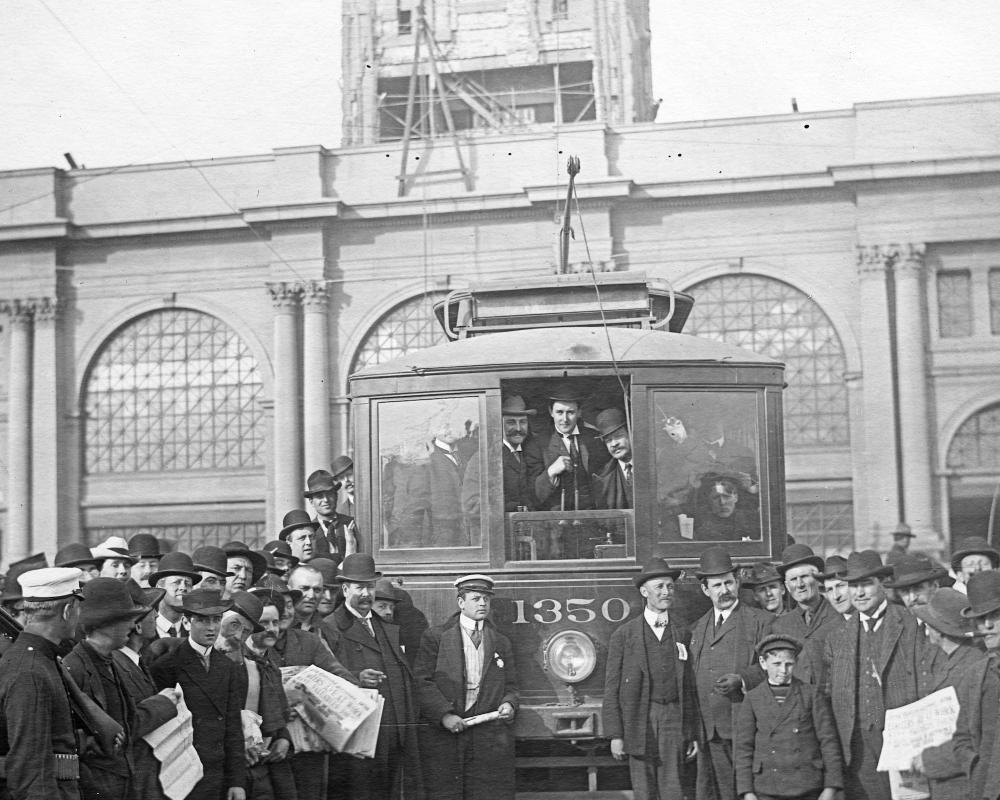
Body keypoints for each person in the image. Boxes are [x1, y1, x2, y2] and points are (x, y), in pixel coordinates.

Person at [63, 578, 178, 800]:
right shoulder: (74, 667)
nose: (132, 625)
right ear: (104, 623)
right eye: (126, 619)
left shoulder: (109, 661)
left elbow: (125, 724)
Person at [823, 550, 923, 800]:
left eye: (866, 584)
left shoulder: (909, 623)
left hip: (901, 739)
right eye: (853, 586)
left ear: (883, 585)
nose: (859, 592)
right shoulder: (837, 637)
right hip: (857, 744)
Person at [324, 554, 421, 800]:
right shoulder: (330, 628)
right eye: (359, 587)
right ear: (345, 589)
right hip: (357, 738)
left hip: (392, 734)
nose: (366, 594)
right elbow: (324, 682)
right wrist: (356, 677)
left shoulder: (385, 627)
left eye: (370, 587)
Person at [414, 574, 517, 800]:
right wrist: (444, 716)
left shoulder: (501, 641)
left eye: (486, 600)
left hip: (488, 737)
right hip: (448, 734)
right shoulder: (436, 637)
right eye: (476, 599)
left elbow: (511, 685)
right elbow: (422, 682)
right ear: (461, 603)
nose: (482, 604)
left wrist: (509, 703)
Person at [603, 558, 698, 800]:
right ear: (644, 591)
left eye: (670, 587)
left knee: (674, 789)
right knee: (644, 791)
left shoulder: (683, 632)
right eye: (660, 587)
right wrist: (616, 735)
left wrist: (692, 732)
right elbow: (612, 688)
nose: (666, 592)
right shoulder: (624, 635)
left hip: (673, 720)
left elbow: (690, 688)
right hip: (639, 720)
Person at [146, 588, 248, 800]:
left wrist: (237, 781)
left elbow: (233, 727)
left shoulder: (228, 667)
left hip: (218, 773)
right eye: (203, 620)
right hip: (182, 774)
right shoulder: (167, 666)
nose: (211, 628)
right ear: (186, 622)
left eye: (216, 620)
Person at [689, 546, 772, 800]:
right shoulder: (697, 628)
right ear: (706, 590)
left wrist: (743, 679)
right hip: (710, 731)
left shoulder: (761, 621)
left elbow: (775, 667)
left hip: (744, 728)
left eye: (728, 583)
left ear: (737, 582)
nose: (724, 590)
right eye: (717, 585)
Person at [0, 567, 88, 800]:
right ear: (68, 610)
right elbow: (31, 774)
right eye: (78, 608)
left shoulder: (37, 660)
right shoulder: (31, 672)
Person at [734, 634, 841, 800]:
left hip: (808, 785)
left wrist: (830, 787)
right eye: (776, 664)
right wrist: (747, 791)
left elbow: (828, 741)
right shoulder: (753, 698)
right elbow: (743, 748)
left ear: (796, 663)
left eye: (789, 664)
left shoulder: (811, 694)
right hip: (767, 787)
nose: (783, 671)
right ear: (763, 663)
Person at [911, 588, 986, 800]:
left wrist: (929, 760)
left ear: (940, 630)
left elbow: (973, 739)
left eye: (928, 623)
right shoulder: (953, 658)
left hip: (963, 785)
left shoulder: (972, 668)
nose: (925, 628)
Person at [223, 591, 298, 800]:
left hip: (268, 770)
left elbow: (279, 717)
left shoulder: (271, 667)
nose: (271, 629)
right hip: (238, 769)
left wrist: (283, 740)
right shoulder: (233, 663)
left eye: (275, 622)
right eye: (264, 623)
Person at [112, 580, 173, 800]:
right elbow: (125, 725)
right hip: (136, 784)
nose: (157, 617)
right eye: (152, 612)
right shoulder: (117, 666)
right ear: (137, 626)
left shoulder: (136, 661)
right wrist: (165, 704)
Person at [948, 571, 1000, 800]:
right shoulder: (975, 675)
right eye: (980, 618)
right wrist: (977, 768)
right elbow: (961, 739)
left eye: (995, 615)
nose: (986, 625)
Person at [770, 544, 844, 687]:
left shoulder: (838, 615)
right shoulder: (780, 625)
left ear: (818, 579)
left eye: (804, 577)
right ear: (786, 585)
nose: (799, 584)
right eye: (793, 579)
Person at [531, 384, 609, 512]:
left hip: (591, 519)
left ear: (579, 412)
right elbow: (533, 495)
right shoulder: (539, 443)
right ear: (551, 412)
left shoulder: (595, 439)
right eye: (559, 412)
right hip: (556, 523)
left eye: (570, 412)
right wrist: (550, 472)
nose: (565, 419)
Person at [462, 395, 543, 516]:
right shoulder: (484, 458)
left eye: (523, 422)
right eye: (511, 422)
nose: (518, 428)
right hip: (498, 530)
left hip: (523, 529)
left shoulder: (528, 454)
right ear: (499, 425)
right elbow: (471, 505)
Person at [305, 469, 360, 564]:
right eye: (319, 496)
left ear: (336, 496)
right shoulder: (309, 532)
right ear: (311, 502)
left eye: (329, 494)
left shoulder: (352, 524)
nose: (326, 500)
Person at [149, 551, 203, 639]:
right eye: (176, 582)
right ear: (159, 587)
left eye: (188, 583)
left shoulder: (195, 632)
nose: (183, 587)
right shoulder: (143, 631)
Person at [691, 473, 760, 541]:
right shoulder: (699, 523)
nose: (722, 502)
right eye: (716, 497)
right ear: (709, 500)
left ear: (736, 498)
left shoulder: (750, 520)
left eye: (727, 496)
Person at [591, 408, 635, 510]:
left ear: (631, 434)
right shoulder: (602, 478)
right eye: (608, 440)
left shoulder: (651, 464)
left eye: (618, 436)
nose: (614, 444)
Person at [885, 553, 950, 610]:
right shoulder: (895, 623)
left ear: (934, 586)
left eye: (917, 588)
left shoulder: (953, 620)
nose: (912, 598)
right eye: (904, 591)